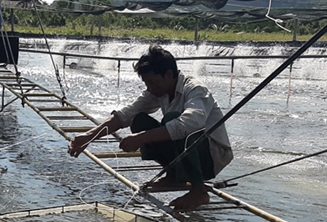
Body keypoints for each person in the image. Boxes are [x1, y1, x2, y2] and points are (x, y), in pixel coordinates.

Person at [68, 45, 233, 210]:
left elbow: (191, 123)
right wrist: (87, 137)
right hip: (190, 150)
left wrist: (142, 138)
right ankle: (173, 175)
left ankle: (199, 191)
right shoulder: (158, 92)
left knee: (173, 120)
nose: (149, 88)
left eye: (152, 82)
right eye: (147, 83)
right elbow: (125, 115)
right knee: (139, 120)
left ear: (168, 75)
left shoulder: (195, 89)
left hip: (212, 155)